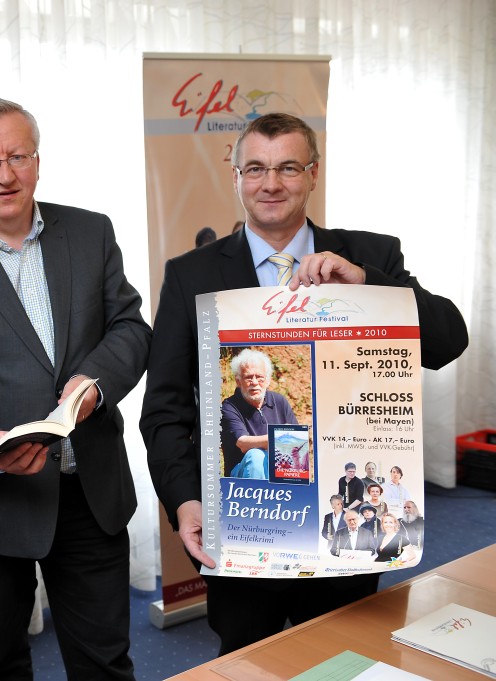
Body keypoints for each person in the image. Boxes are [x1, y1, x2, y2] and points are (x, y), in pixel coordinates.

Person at [140, 112, 468, 655]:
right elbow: (164, 409)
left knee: (343, 659)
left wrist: (367, 285)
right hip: (245, 527)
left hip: (344, 529)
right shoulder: (191, 274)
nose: (270, 184)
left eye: (288, 168)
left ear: (313, 173)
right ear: (236, 176)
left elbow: (449, 340)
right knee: (248, 660)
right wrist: (183, 500)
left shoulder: (370, 256)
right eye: (256, 169)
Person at [0, 98, 150, 680]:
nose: (5, 174)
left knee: (105, 663)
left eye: (18, 156)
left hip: (89, 488)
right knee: (4, 664)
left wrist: (94, 385)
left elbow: (130, 328)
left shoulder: (90, 232)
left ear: (38, 162)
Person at [220, 348, 299, 479]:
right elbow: (243, 443)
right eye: (248, 377)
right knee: (256, 455)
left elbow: (297, 442)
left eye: (260, 377)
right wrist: (280, 438)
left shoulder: (279, 401)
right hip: (240, 477)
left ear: (268, 380)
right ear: (238, 381)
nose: (255, 382)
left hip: (278, 469)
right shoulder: (229, 406)